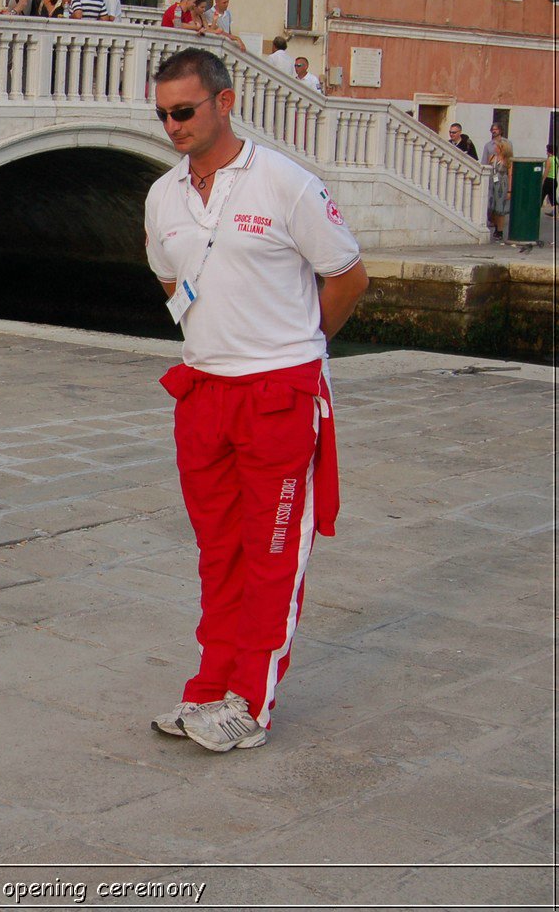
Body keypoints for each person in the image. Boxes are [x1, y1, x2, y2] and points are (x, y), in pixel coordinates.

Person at [143, 47, 367, 753]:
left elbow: (347, 276)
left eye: (184, 111)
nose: (173, 125)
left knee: (271, 554)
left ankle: (252, 701)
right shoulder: (163, 196)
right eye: (163, 114)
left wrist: (299, 344)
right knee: (218, 551)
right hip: (204, 391)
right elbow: (168, 279)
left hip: (277, 393)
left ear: (225, 101)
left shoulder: (284, 184)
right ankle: (211, 685)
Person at [487, 135, 514, 240]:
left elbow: (510, 175)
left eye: (497, 147)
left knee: (500, 208)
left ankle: (500, 230)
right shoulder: (492, 157)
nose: (495, 148)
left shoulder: (508, 161)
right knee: (491, 207)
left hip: (502, 184)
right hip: (492, 183)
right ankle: (495, 226)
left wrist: (509, 190)